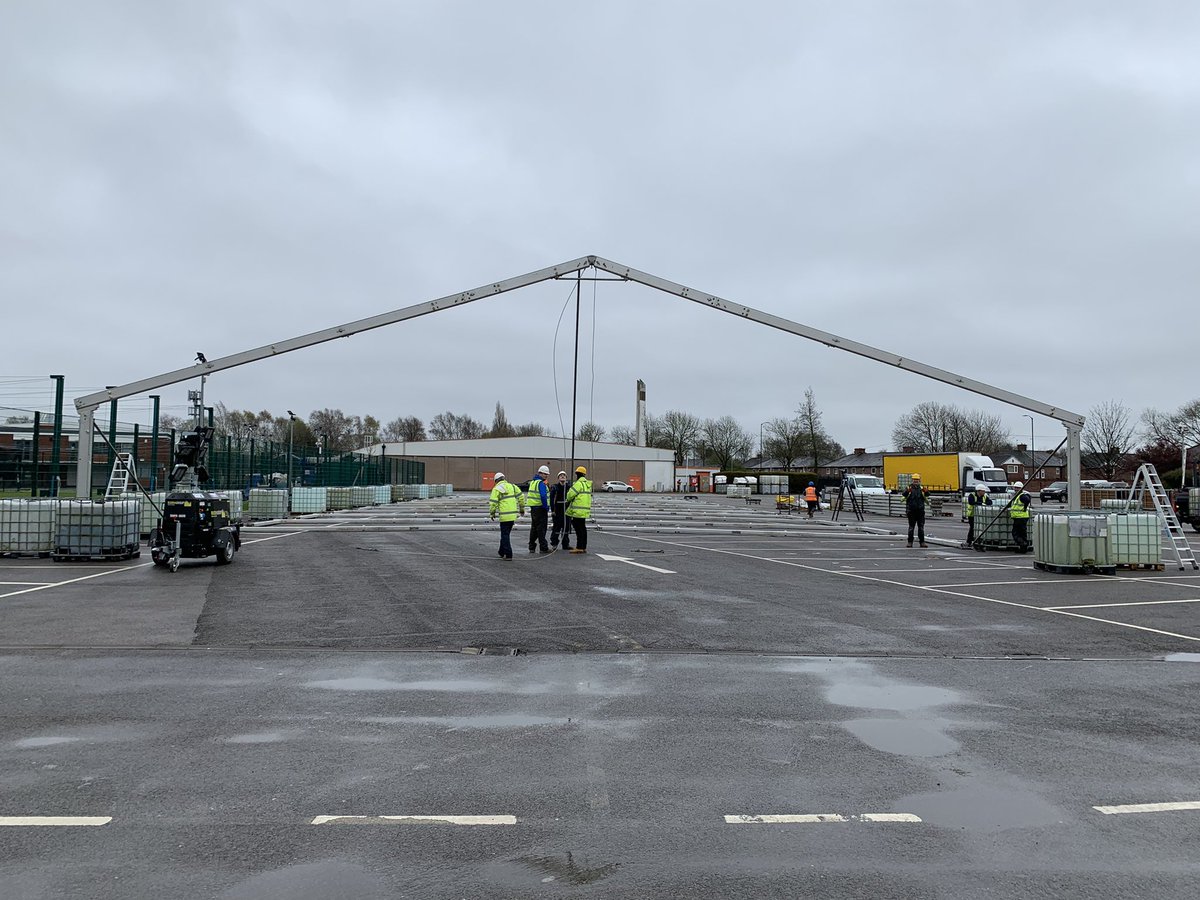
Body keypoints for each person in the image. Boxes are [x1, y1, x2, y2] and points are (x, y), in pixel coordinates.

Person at [488, 471, 525, 560]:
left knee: (505, 535)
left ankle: (508, 554)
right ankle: (501, 552)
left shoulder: (496, 489)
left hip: (504, 516)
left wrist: (492, 513)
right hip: (512, 515)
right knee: (506, 534)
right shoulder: (512, 486)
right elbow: (521, 497)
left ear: (496, 481)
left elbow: (493, 503)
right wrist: (521, 509)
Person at [565, 465, 592, 553]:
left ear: (577, 474)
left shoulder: (578, 484)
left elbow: (570, 495)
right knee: (583, 529)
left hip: (577, 510)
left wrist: (567, 499)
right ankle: (583, 547)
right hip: (584, 511)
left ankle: (579, 547)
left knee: (578, 529)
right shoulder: (587, 485)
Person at [525, 465, 551, 553]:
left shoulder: (533, 482)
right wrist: (546, 507)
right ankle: (543, 547)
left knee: (534, 528)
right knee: (541, 529)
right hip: (540, 509)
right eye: (545, 474)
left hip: (534, 509)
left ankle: (531, 546)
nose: (546, 476)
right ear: (540, 473)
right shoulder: (540, 483)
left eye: (547, 474)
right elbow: (543, 496)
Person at [903, 473, 929, 548]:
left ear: (919, 480)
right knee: (911, 527)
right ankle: (910, 542)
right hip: (911, 510)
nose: (916, 481)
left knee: (921, 527)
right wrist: (907, 491)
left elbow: (927, 495)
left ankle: (922, 542)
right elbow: (904, 495)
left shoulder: (922, 488)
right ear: (912, 480)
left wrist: (926, 491)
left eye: (917, 479)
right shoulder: (909, 488)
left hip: (920, 511)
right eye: (914, 479)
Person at [549, 470, 571, 551]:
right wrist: (553, 510)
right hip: (557, 511)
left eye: (564, 475)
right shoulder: (555, 487)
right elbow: (552, 500)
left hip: (566, 510)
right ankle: (554, 543)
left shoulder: (569, 488)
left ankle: (565, 544)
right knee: (556, 527)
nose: (562, 476)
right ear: (558, 478)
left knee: (566, 527)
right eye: (561, 475)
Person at [1010, 480, 1032, 553]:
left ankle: (1023, 544)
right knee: (1022, 533)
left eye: (1017, 488)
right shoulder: (1018, 496)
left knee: (1015, 533)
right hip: (1021, 517)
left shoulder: (1021, 496)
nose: (1016, 489)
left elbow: (1027, 500)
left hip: (1020, 517)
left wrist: (1025, 508)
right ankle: (1023, 548)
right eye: (1015, 488)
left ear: (1021, 488)